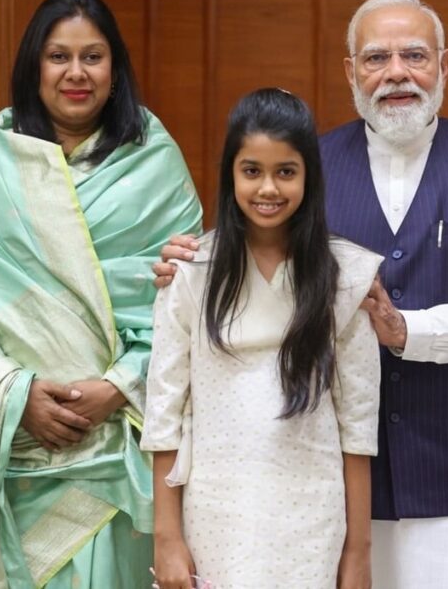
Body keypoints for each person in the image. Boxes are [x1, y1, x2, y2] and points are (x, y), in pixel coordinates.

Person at [155, 0, 448, 588]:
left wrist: (410, 330)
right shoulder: (302, 168)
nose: (396, 73)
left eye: (415, 56)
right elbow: (247, 256)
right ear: (351, 72)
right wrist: (186, 261)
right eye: (376, 58)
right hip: (323, 492)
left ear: (444, 66)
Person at [0, 0, 202, 588]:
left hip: (117, 445)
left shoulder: (153, 161)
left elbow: (188, 302)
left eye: (93, 56)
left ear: (115, 68)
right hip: (18, 448)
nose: (76, 73)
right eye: (59, 56)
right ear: (35, 65)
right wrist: (15, 393)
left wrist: (118, 387)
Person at [141, 88, 382, 589]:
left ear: (308, 176)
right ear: (230, 174)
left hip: (313, 515)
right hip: (216, 512)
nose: (267, 188)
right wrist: (167, 538)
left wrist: (358, 552)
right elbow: (163, 415)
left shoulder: (347, 277)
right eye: (252, 170)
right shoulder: (190, 273)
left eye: (285, 172)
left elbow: (358, 426)